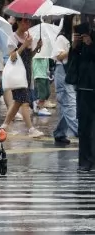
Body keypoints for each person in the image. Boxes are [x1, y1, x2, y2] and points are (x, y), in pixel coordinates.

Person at [0, 18, 44, 138]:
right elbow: (12, 57)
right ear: (18, 22)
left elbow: (29, 56)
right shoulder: (13, 37)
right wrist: (24, 45)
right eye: (25, 21)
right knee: (24, 101)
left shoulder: (28, 36)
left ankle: (4, 126)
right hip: (17, 74)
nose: (27, 24)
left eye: (29, 22)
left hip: (27, 72)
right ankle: (31, 129)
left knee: (18, 101)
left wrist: (36, 48)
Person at [68, 21, 95, 172]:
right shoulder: (82, 41)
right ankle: (84, 161)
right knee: (84, 127)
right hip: (83, 87)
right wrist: (75, 47)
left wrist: (91, 45)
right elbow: (72, 65)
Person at [51, 15, 79, 145]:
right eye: (75, 19)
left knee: (66, 104)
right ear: (69, 20)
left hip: (72, 72)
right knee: (70, 104)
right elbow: (58, 56)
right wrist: (72, 48)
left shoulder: (78, 37)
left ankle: (60, 132)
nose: (78, 21)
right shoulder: (62, 38)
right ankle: (80, 132)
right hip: (62, 72)